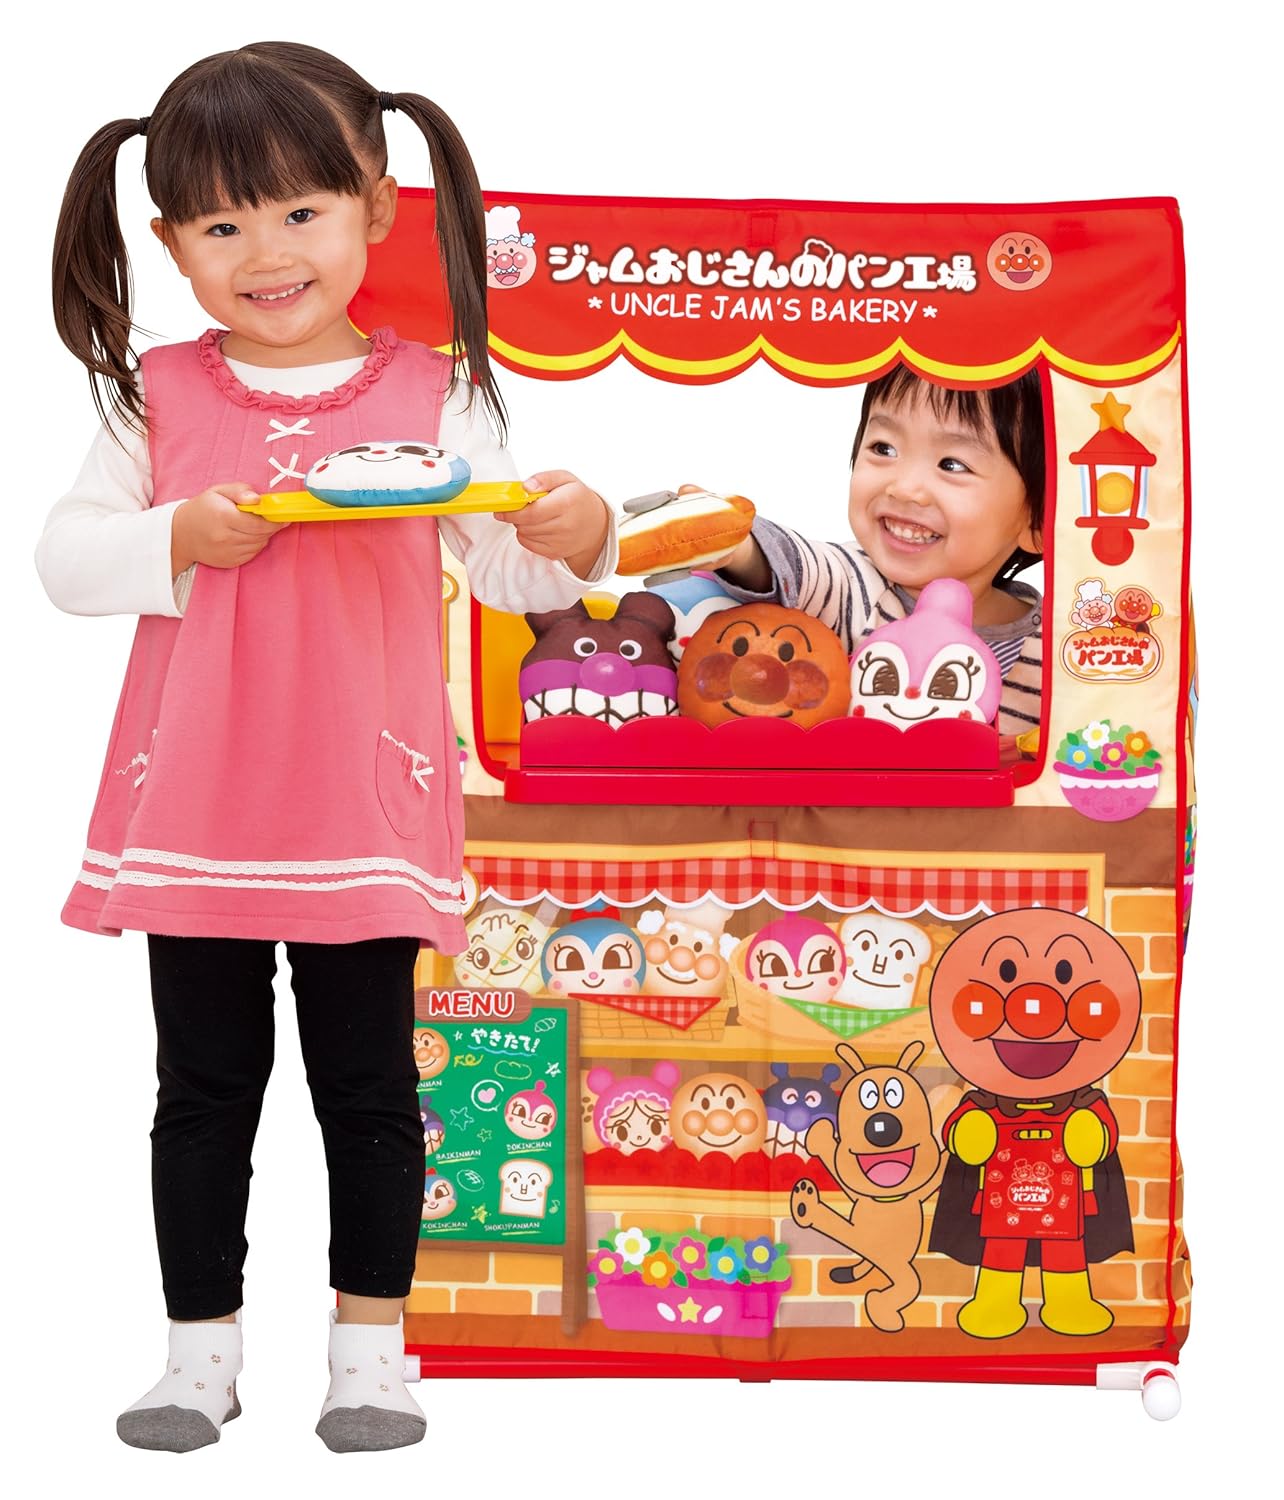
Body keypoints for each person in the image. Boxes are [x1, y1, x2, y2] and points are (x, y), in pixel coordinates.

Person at [37, 42, 614, 1455]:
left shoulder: (438, 392)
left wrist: (577, 530)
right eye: (221, 225)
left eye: (300, 211)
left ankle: (370, 1360)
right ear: (170, 242)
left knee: (369, 1092)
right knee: (201, 1094)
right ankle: (198, 1359)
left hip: (364, 800)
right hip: (202, 808)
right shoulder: (156, 394)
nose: (266, 253)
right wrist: (181, 534)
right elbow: (64, 560)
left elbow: (511, 570)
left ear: (375, 207)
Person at [712, 365, 1045, 738]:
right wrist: (733, 542)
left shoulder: (1061, 649)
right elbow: (791, 564)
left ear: (1039, 522)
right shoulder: (853, 584)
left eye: (952, 465)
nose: (903, 488)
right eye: (884, 448)